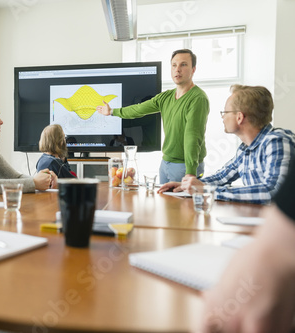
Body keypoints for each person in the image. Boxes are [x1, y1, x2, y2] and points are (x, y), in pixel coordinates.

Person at [200, 158, 295, 332]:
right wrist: (197, 184)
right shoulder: (244, 150)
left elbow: (271, 190)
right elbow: (221, 176)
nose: (223, 128)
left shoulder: (274, 140)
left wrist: (276, 244)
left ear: (242, 126)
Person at [159, 85, 295, 204]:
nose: (223, 117)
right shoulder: (246, 148)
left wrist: (206, 190)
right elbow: (222, 177)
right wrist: (186, 185)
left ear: (239, 117)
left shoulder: (277, 141)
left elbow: (273, 192)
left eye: (225, 112)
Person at [96, 49, 209, 183]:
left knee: (181, 204)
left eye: (183, 65)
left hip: (185, 167)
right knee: (165, 203)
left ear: (193, 69)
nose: (177, 69)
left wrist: (190, 172)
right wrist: (113, 111)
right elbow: (138, 109)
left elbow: (193, 136)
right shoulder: (166, 97)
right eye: (174, 65)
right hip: (166, 163)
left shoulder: (198, 98)